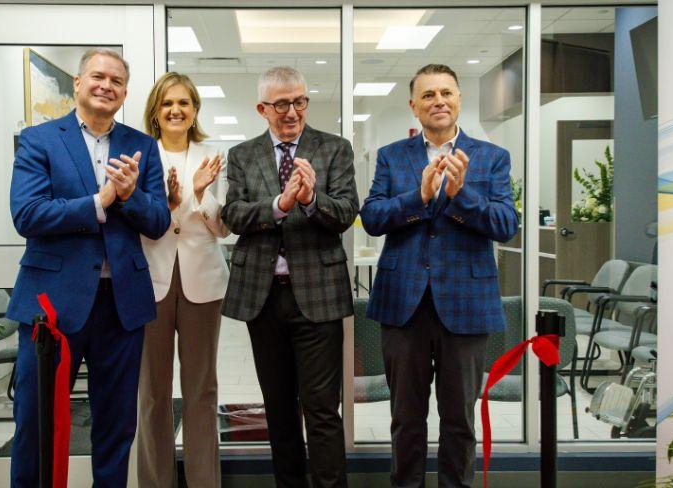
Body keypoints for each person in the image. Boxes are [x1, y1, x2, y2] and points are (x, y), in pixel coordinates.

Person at [5, 48, 170, 487]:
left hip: (122, 307)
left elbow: (158, 222)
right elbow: (28, 215)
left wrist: (132, 195)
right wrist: (100, 203)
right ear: (77, 83)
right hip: (53, 306)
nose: (106, 86)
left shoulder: (142, 146)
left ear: (125, 93)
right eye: (97, 77)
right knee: (37, 423)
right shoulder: (39, 140)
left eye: (116, 82)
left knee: (117, 427)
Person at [359, 63, 518, 488]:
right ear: (414, 106)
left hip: (466, 307)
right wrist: (420, 195)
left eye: (446, 92)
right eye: (428, 95)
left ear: (460, 99)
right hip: (403, 304)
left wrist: (459, 195)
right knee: (405, 420)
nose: (439, 101)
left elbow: (505, 224)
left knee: (459, 421)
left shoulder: (491, 157)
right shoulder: (393, 156)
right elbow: (372, 217)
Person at [221, 66, 357, 488]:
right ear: (263, 108)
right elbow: (234, 215)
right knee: (278, 409)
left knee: (320, 408)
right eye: (282, 104)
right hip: (263, 298)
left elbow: (347, 212)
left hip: (319, 296)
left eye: (300, 101)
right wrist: (279, 204)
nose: (293, 111)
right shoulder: (243, 155)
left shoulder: (334, 149)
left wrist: (313, 198)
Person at [137, 72, 229, 488]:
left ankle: (204, 482)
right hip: (151, 282)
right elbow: (138, 222)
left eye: (184, 103)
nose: (176, 110)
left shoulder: (213, 156)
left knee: (201, 392)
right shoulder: (139, 155)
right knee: (153, 395)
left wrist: (200, 194)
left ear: (194, 111)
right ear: (156, 112)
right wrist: (173, 202)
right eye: (167, 103)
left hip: (203, 285)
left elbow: (223, 229)